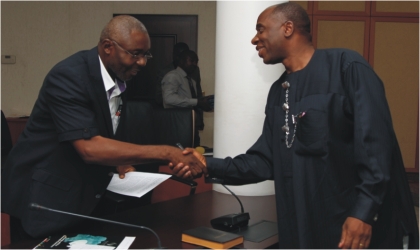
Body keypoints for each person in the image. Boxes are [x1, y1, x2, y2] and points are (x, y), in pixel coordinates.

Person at [176, 2, 419, 249]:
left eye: (260, 30)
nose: (254, 39)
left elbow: (376, 148)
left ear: (288, 28)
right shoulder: (277, 92)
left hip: (350, 228)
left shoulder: (346, 67)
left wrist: (363, 213)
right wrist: (208, 164)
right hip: (300, 228)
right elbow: (264, 161)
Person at [1, 15, 204, 242]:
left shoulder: (119, 79)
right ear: (108, 47)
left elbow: (101, 129)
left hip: (85, 198)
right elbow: (90, 147)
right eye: (135, 54)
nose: (143, 62)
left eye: (146, 54)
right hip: (44, 201)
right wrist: (168, 152)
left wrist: (120, 161)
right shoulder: (69, 76)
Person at [161, 49, 213, 147]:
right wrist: (197, 102)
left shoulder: (191, 81)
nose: (194, 64)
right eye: (191, 60)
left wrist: (205, 104)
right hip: (177, 125)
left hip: (191, 125)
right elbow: (168, 98)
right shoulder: (172, 76)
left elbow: (191, 102)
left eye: (196, 61)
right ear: (181, 61)